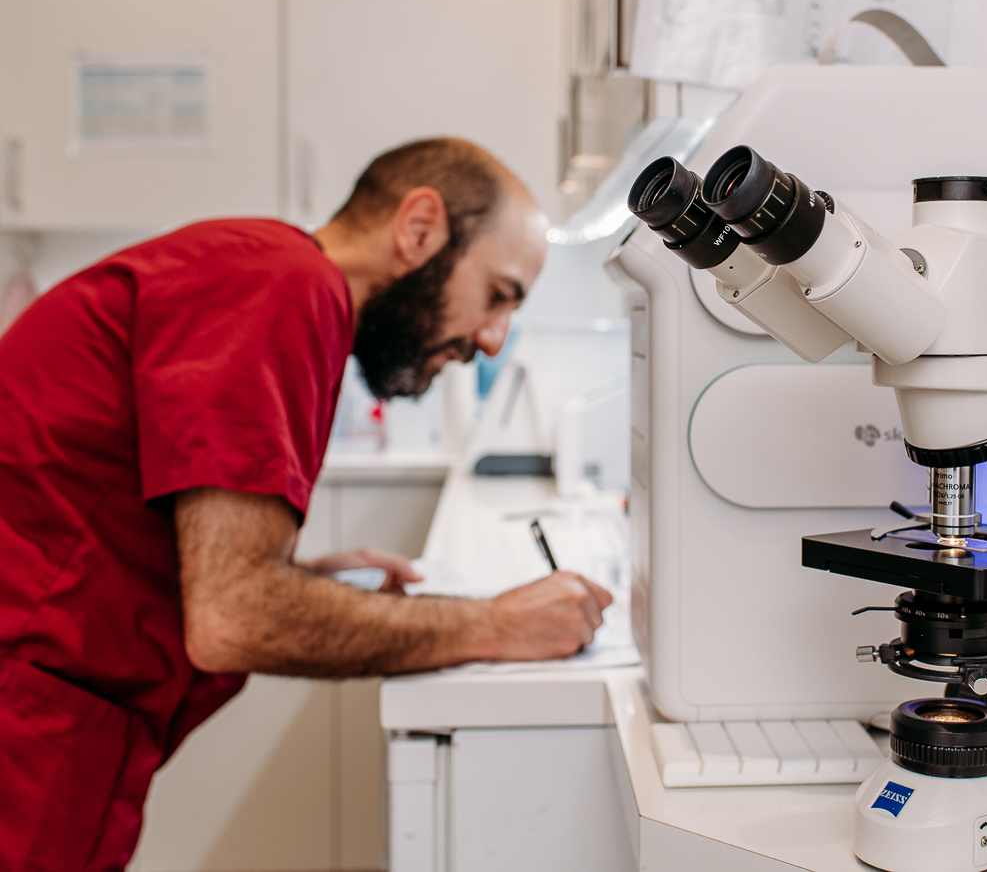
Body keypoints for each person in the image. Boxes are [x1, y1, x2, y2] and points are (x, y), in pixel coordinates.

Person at [0, 137, 613, 870]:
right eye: (498, 294)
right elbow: (234, 618)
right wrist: (493, 625)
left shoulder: (267, 275)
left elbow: (177, 557)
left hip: (57, 722)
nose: (490, 339)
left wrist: (306, 582)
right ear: (419, 228)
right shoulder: (281, 284)